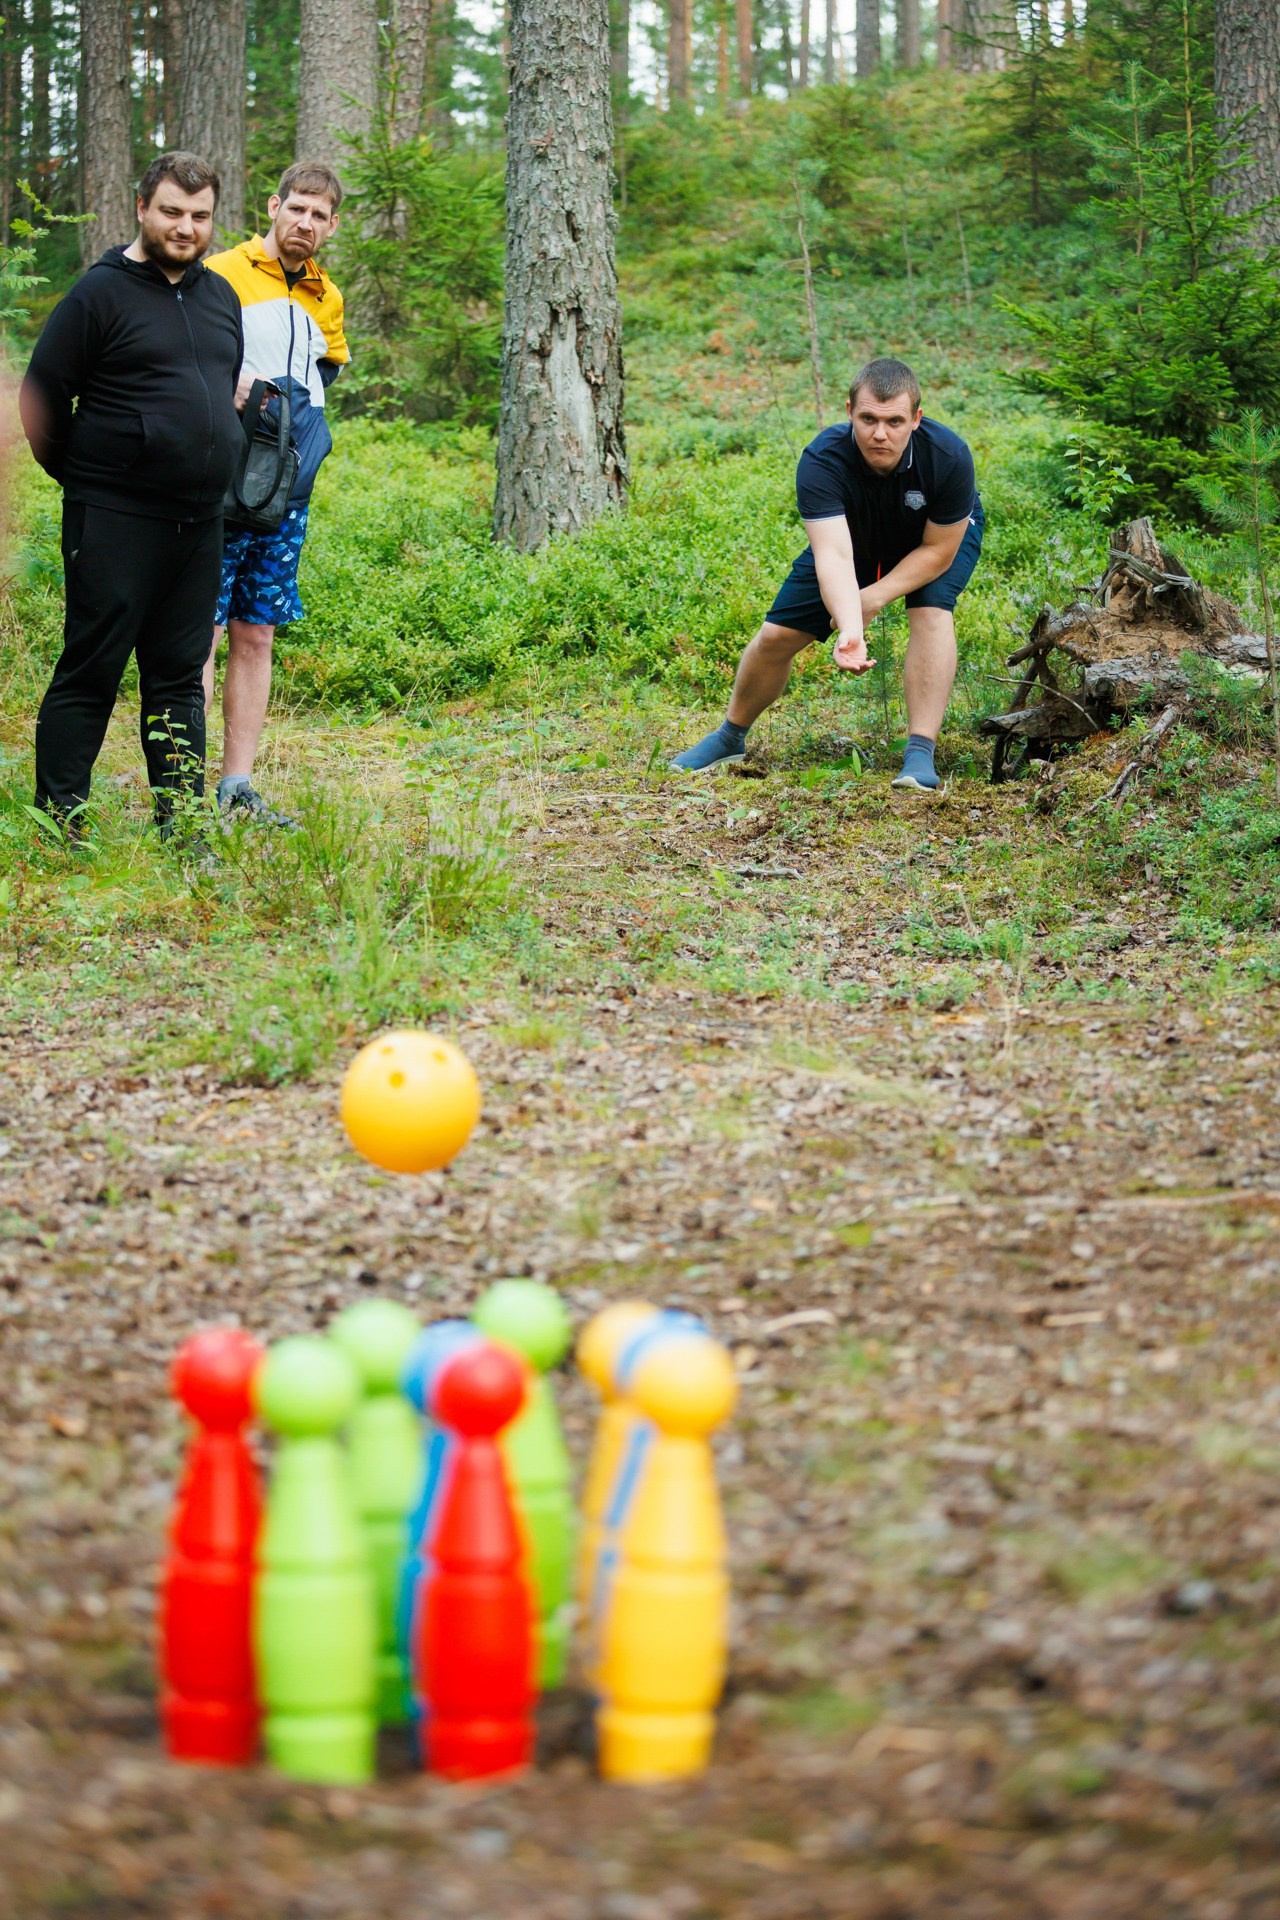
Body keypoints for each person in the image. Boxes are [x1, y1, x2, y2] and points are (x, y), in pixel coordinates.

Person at [19, 152, 244, 839]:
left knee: (179, 677)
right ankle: (63, 823)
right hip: (114, 517)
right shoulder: (100, 294)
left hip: (199, 521)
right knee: (93, 667)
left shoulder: (219, 297)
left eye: (200, 216)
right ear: (141, 207)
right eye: (172, 211)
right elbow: (41, 398)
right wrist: (91, 478)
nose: (185, 228)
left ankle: (182, 825)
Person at [670, 357, 984, 792]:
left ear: (916, 419)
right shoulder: (823, 458)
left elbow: (936, 552)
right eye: (868, 418)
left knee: (930, 611)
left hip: (932, 538)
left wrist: (870, 599)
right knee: (778, 635)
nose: (880, 433)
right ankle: (729, 737)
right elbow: (834, 555)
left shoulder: (948, 456)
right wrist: (850, 628)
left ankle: (919, 753)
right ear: (849, 412)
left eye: (894, 421)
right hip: (852, 532)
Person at [203, 163, 349, 822]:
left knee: (256, 632)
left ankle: (237, 788)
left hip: (285, 493)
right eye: (298, 209)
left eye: (320, 215)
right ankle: (179, 787)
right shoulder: (224, 273)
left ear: (332, 225)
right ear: (274, 206)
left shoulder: (327, 295)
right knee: (198, 631)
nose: (306, 224)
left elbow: (322, 380)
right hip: (220, 482)